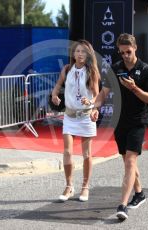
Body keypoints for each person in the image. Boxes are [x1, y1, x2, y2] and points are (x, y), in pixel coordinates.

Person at [90, 33, 148, 220]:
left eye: (128, 52)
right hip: (120, 120)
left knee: (130, 161)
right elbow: (104, 93)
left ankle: (122, 205)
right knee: (127, 160)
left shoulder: (146, 70)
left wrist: (134, 88)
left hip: (138, 120)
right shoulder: (116, 68)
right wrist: (95, 108)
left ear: (135, 48)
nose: (125, 55)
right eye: (122, 52)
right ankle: (140, 193)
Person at [51, 40, 100, 202]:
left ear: (88, 54)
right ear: (73, 54)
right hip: (69, 117)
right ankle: (69, 186)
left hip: (85, 117)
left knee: (87, 154)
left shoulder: (91, 72)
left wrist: (92, 106)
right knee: (68, 152)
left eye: (84, 51)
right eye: (78, 51)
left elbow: (97, 96)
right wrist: (54, 95)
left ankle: (85, 188)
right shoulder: (67, 69)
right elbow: (58, 85)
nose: (80, 54)